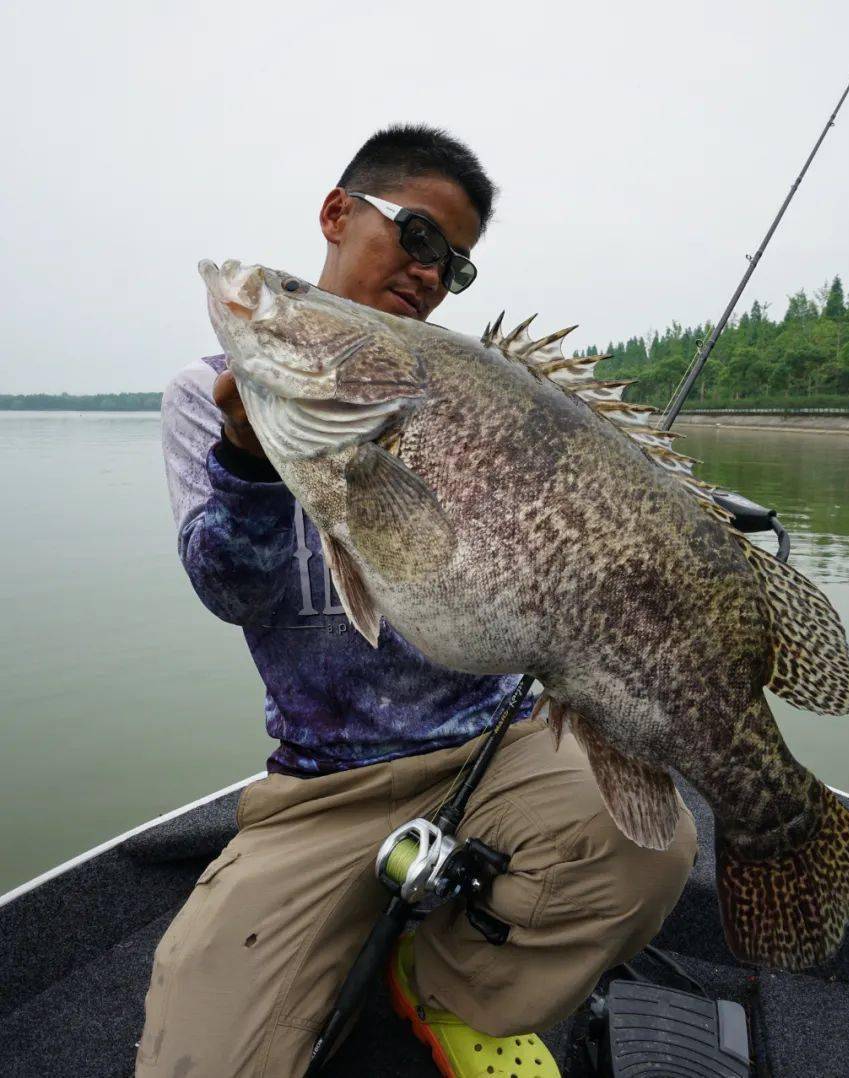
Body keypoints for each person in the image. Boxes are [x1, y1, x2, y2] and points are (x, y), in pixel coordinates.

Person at [139, 124, 697, 1078]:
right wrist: (246, 461)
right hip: (322, 786)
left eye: (458, 266)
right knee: (196, 1062)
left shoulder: (474, 394)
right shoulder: (213, 396)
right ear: (337, 213)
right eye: (420, 236)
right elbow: (233, 592)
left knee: (650, 845)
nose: (433, 274)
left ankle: (452, 990)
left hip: (496, 744)